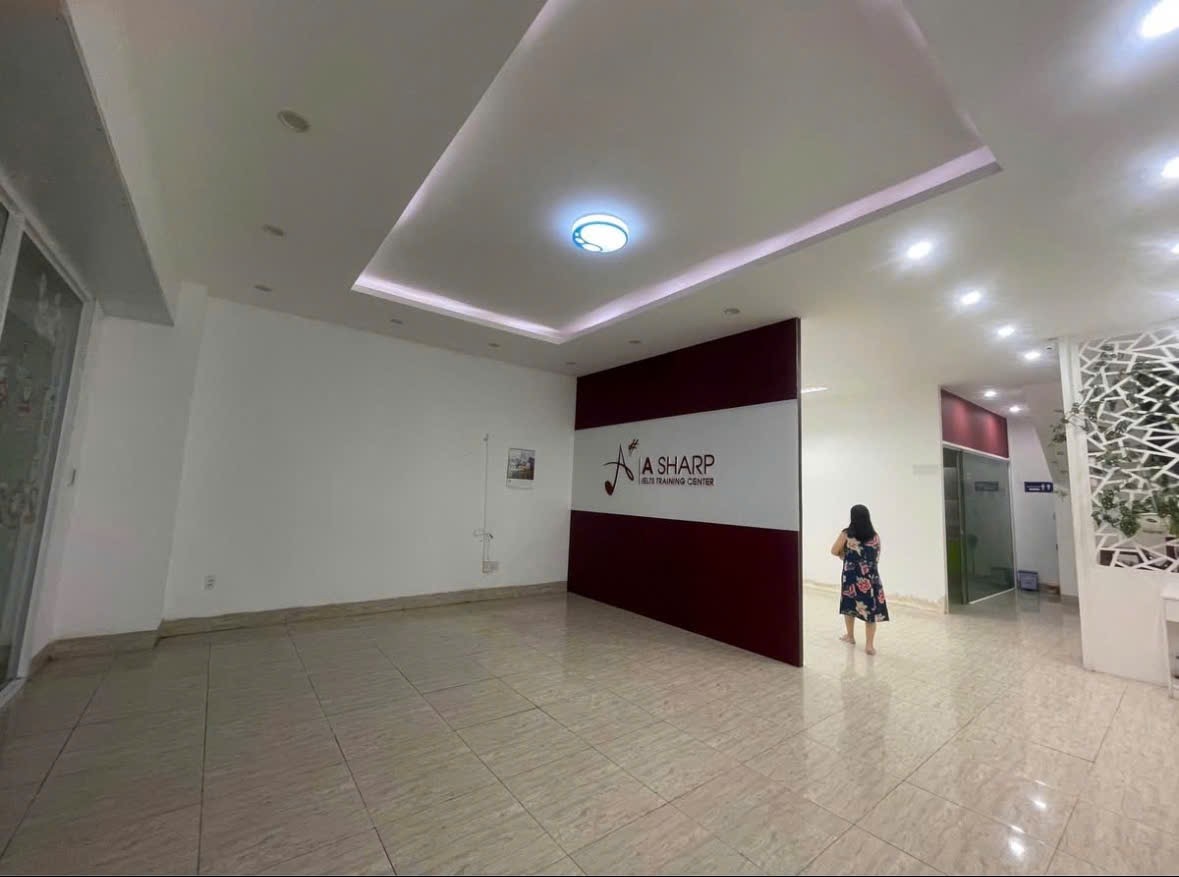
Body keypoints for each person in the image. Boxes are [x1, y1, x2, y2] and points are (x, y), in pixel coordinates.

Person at [830, 504, 889, 654]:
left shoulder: (846, 534)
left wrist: (845, 556)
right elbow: (876, 557)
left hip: (851, 576)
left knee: (849, 605)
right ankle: (869, 646)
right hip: (870, 578)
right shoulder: (875, 536)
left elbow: (834, 550)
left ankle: (850, 636)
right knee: (870, 611)